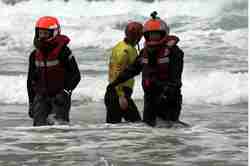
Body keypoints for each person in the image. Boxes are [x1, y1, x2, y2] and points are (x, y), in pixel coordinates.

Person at [106, 12, 184, 127]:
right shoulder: (145, 52)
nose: (153, 37)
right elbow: (132, 70)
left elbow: (175, 79)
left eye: (156, 34)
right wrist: (115, 83)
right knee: (148, 133)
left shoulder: (174, 52)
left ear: (164, 34)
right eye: (150, 34)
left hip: (168, 99)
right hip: (150, 99)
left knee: (167, 135)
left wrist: (165, 95)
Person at [27, 16, 81, 126]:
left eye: (45, 33)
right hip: (41, 97)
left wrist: (65, 92)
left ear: (55, 33)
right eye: (40, 33)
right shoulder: (34, 55)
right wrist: (31, 103)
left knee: (58, 130)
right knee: (39, 131)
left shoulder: (64, 52)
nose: (42, 36)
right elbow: (30, 81)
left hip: (60, 97)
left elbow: (76, 75)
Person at [104, 21, 143, 123]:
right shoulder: (126, 51)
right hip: (119, 93)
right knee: (138, 125)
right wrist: (121, 96)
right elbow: (117, 72)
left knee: (113, 130)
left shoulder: (120, 46)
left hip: (113, 92)